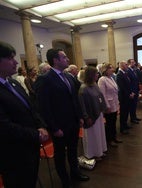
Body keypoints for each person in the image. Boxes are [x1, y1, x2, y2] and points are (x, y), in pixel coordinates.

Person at [35, 48, 89, 188]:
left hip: (73, 122)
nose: (68, 59)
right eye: (64, 57)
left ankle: (75, 173)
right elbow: (44, 107)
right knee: (60, 155)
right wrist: (54, 128)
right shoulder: (45, 79)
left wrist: (80, 117)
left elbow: (74, 99)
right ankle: (65, 180)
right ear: (55, 60)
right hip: (59, 126)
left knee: (73, 150)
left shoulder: (69, 77)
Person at [0, 41, 49, 188]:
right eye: (10, 58)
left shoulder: (13, 83)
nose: (15, 62)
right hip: (13, 153)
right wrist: (36, 134)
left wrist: (41, 126)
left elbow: (31, 108)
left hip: (29, 148)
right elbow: (4, 126)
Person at [78, 66, 107, 159]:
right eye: (96, 73)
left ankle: (99, 152)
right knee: (92, 136)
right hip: (91, 116)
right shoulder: (83, 88)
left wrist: (103, 108)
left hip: (98, 113)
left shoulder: (94, 85)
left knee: (99, 135)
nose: (97, 75)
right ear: (90, 75)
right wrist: (86, 117)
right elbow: (82, 106)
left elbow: (100, 97)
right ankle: (91, 154)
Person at [98, 63, 122, 147]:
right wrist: (106, 106)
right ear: (105, 70)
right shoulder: (102, 79)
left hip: (114, 103)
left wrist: (118, 103)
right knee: (109, 123)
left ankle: (114, 137)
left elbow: (115, 91)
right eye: (110, 68)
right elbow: (102, 94)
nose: (112, 70)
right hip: (108, 105)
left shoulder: (111, 78)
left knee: (114, 122)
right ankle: (109, 140)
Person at [116, 61, 133, 134]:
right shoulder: (119, 74)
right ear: (122, 66)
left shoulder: (124, 73)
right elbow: (122, 87)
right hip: (123, 97)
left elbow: (128, 84)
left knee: (126, 112)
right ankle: (122, 128)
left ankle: (125, 125)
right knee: (123, 113)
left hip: (127, 96)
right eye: (126, 64)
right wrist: (128, 94)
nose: (127, 66)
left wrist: (131, 92)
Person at [127, 59, 142, 124]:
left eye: (134, 62)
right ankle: (132, 118)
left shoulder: (134, 70)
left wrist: (138, 90)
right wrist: (131, 92)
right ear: (129, 64)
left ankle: (134, 117)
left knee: (135, 105)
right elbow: (129, 83)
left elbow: (136, 80)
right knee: (132, 105)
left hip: (135, 90)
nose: (134, 63)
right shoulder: (128, 71)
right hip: (132, 91)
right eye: (132, 62)